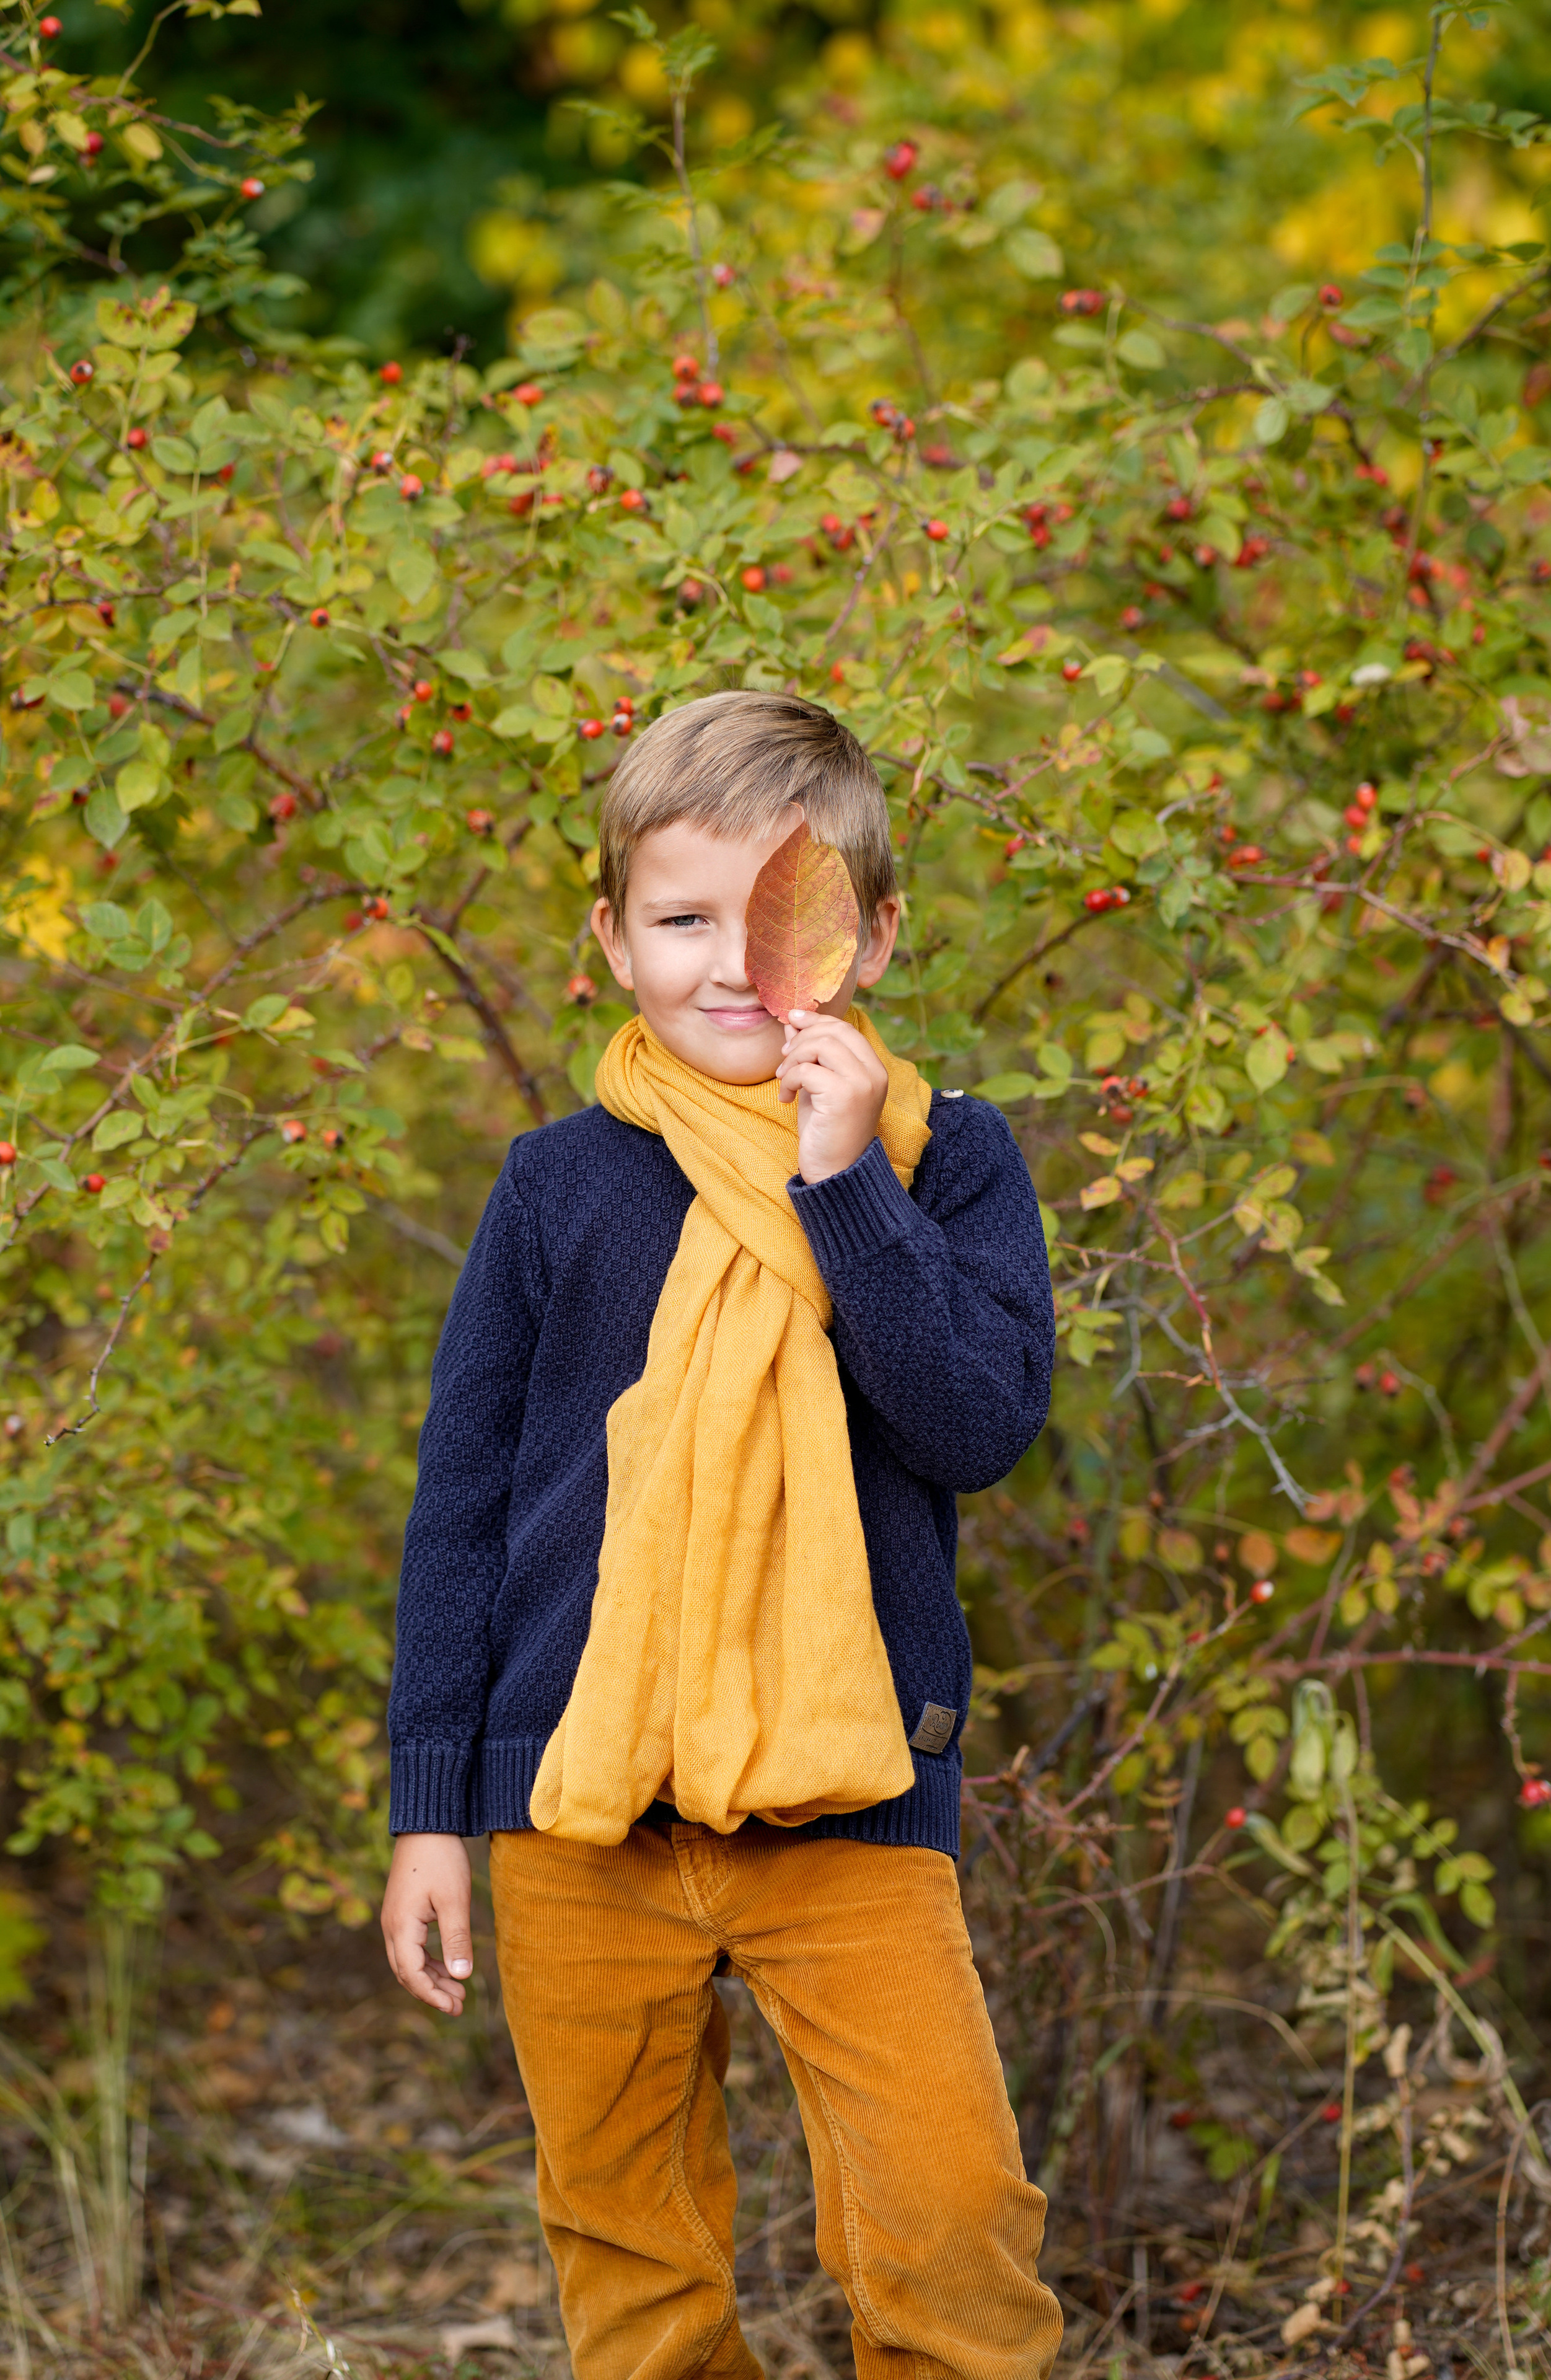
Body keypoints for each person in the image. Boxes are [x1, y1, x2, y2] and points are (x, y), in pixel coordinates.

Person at [381, 689, 1064, 2380]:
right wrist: (428, 1809)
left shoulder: (943, 1162)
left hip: (855, 1801)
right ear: (611, 940)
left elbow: (975, 1428)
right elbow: (464, 1499)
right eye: (685, 918)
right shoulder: (556, 1184)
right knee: (633, 2262)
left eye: (785, 915)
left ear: (875, 934)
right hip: (581, 1804)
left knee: (948, 2226)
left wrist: (847, 1188)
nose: (734, 963)